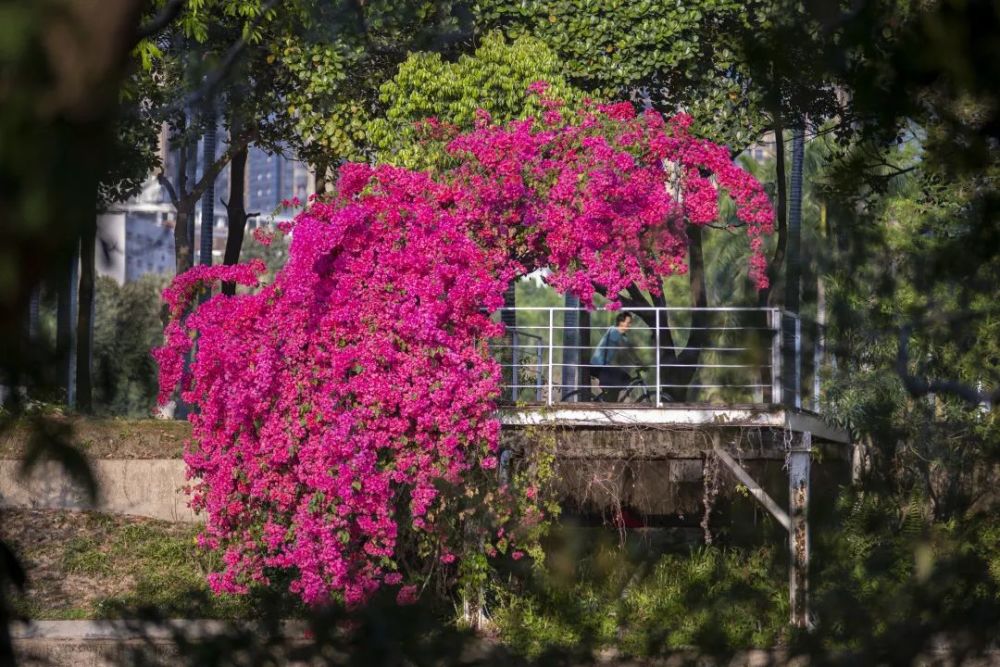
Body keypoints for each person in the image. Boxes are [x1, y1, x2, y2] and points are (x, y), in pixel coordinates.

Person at [590, 312, 637, 402]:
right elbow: (626, 349)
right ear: (621, 322)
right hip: (598, 366)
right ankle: (605, 402)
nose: (630, 325)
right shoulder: (614, 331)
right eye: (628, 322)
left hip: (603, 367)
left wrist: (638, 361)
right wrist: (637, 362)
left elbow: (630, 351)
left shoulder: (622, 336)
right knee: (623, 377)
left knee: (623, 378)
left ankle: (609, 401)